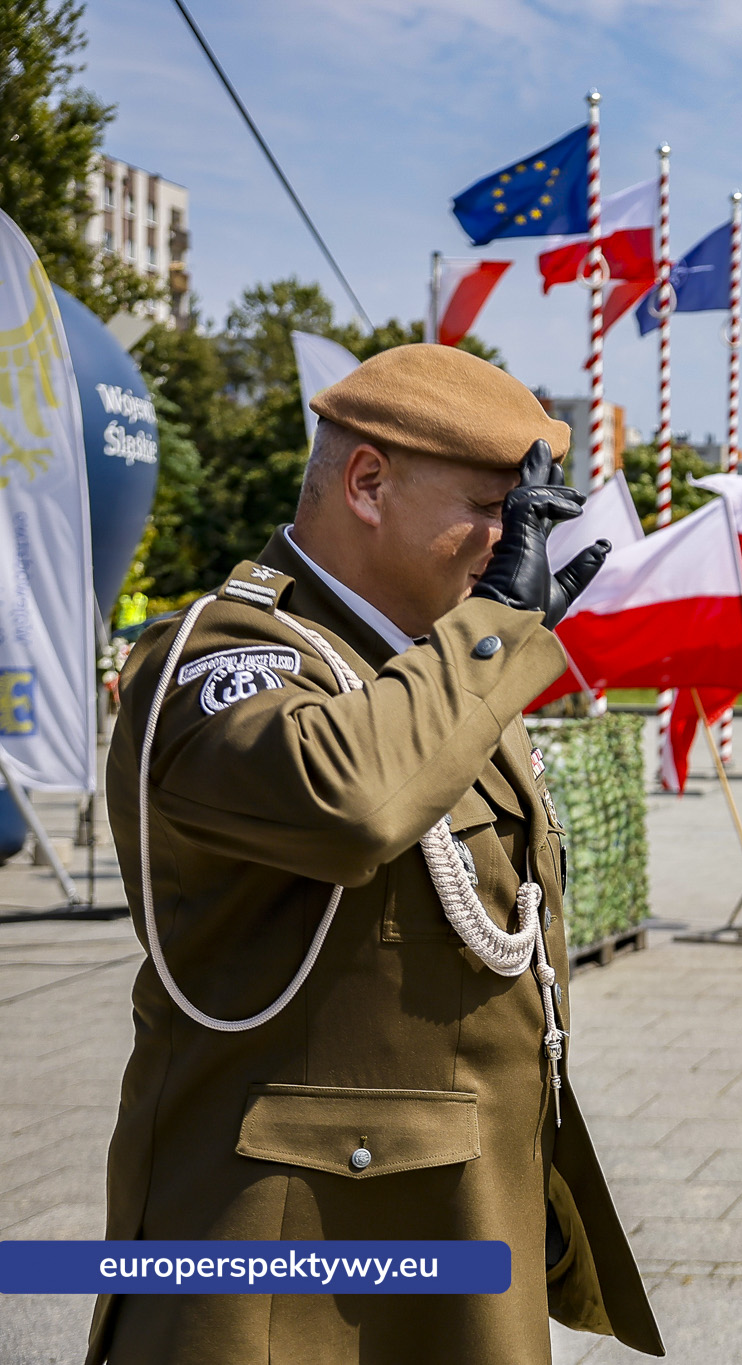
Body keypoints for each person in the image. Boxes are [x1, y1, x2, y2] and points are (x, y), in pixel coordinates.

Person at [93, 346, 662, 1364]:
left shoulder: (432, 671)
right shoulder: (220, 656)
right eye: (495, 508)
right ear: (367, 483)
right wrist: (496, 628)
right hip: (284, 1278)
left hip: (453, 1233)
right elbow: (349, 802)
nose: (508, 547)